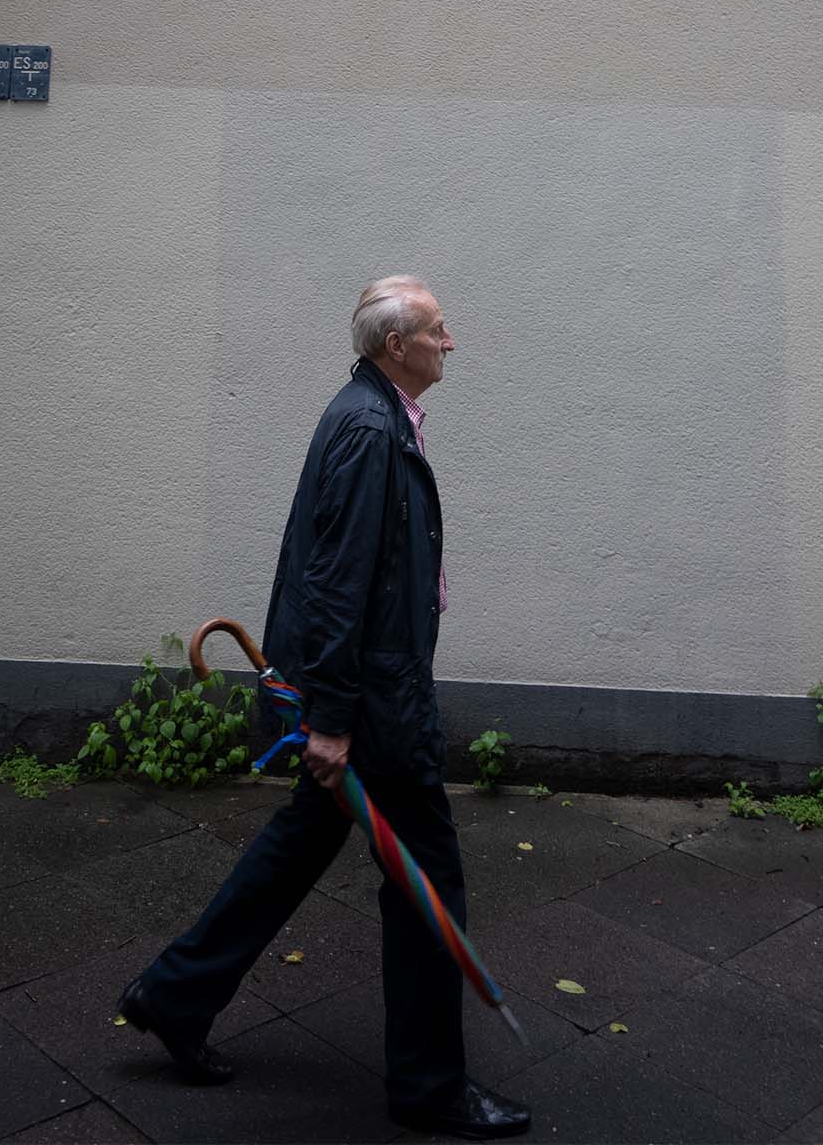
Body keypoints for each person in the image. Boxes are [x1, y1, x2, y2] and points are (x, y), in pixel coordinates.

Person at [116, 276, 530, 1140]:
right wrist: (335, 721)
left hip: (364, 693)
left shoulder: (370, 414)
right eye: (438, 330)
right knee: (427, 884)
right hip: (373, 706)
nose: (451, 342)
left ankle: (175, 993)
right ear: (395, 347)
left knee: (299, 844)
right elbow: (337, 587)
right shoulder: (370, 431)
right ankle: (427, 1088)